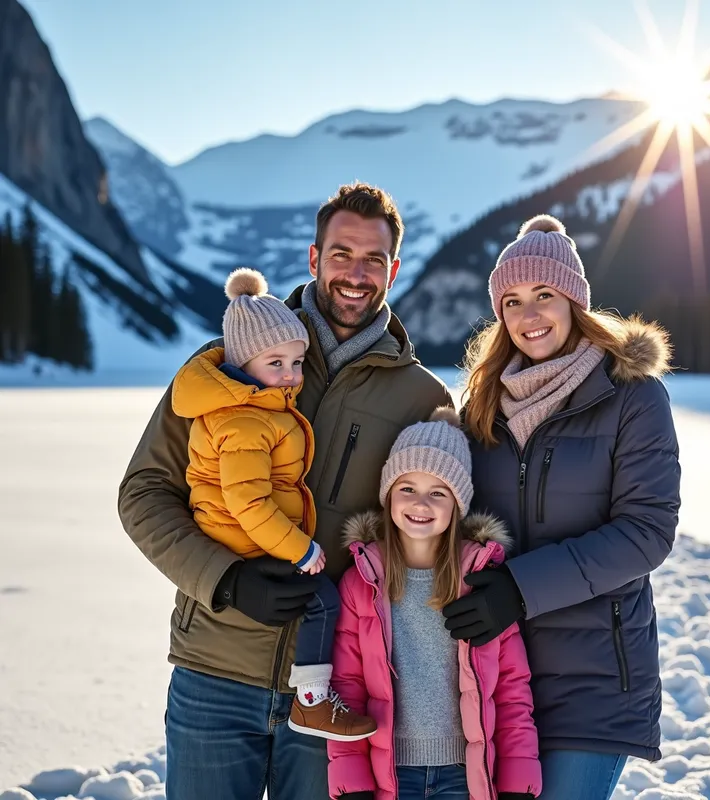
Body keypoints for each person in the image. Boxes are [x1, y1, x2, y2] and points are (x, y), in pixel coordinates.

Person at [118, 182, 453, 800]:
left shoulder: (422, 399)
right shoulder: (230, 367)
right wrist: (225, 579)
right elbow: (143, 492)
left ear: (394, 269)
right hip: (215, 670)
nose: (355, 274)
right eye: (340, 254)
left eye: (373, 259)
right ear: (312, 258)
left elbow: (435, 542)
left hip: (334, 691)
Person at [442, 215, 680, 800]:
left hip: (596, 678)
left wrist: (519, 589)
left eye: (544, 295)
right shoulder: (483, 404)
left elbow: (647, 531)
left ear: (574, 299)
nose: (529, 317)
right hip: (498, 676)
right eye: (513, 301)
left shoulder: (632, 395)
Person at [171, 267, 376, 741]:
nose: (290, 375)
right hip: (243, 544)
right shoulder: (244, 420)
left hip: (247, 537)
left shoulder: (260, 407)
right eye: (276, 363)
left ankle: (309, 699)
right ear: (244, 364)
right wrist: (300, 549)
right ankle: (312, 701)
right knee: (322, 599)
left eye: (297, 362)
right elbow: (249, 503)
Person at [328, 408, 542, 800]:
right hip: (390, 773)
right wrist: (352, 781)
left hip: (465, 775)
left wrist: (517, 781)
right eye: (407, 488)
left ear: (457, 504)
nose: (420, 504)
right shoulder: (362, 580)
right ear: (388, 494)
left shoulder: (482, 581)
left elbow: (512, 689)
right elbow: (346, 688)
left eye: (437, 492)